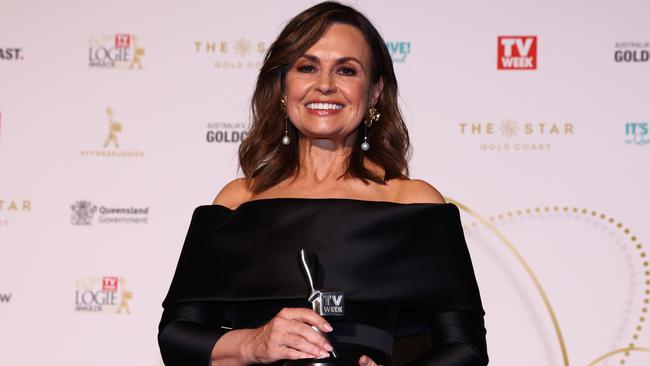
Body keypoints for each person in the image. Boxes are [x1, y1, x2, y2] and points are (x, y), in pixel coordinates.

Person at [158, 2, 488, 365]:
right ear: (283, 86)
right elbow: (176, 336)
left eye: (346, 70)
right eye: (307, 67)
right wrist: (254, 342)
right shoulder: (238, 202)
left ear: (375, 91)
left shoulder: (414, 204)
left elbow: (465, 349)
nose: (325, 85)